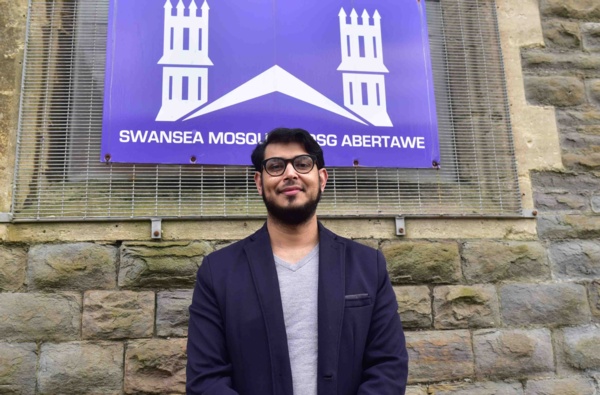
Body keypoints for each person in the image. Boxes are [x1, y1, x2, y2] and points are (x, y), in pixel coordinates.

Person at [186, 127, 408, 395]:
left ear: (322, 178)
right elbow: (206, 379)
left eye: (302, 164)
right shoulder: (218, 272)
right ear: (259, 183)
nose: (290, 174)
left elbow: (388, 367)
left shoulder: (367, 266)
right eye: (276, 166)